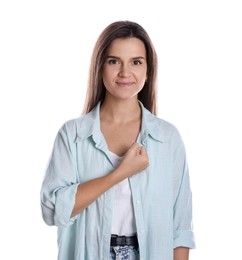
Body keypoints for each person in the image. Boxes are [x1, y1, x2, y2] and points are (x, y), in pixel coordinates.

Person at [40, 20, 195, 260]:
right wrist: (119, 174)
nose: (125, 72)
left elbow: (180, 228)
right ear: (100, 66)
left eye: (136, 62)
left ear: (148, 70)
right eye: (114, 61)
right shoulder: (72, 135)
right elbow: (53, 209)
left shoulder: (168, 138)